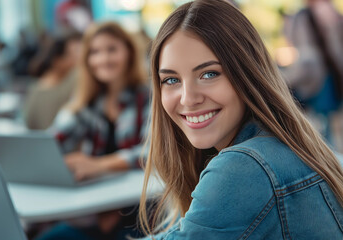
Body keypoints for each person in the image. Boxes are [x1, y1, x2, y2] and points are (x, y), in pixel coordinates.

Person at [138, 0, 343, 239]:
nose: (188, 98)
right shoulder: (283, 146)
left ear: (247, 74)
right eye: (171, 80)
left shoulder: (244, 166)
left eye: (209, 74)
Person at [37, 22, 149, 240]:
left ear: (129, 52)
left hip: (141, 212)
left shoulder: (147, 96)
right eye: (95, 52)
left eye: (112, 49)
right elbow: (52, 139)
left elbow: (153, 153)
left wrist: (98, 165)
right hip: (96, 211)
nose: (103, 59)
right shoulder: (86, 103)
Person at [281, 0, 343, 140]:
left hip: (328, 76)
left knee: (326, 124)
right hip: (319, 77)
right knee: (324, 124)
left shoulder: (329, 16)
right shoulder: (302, 17)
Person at [24, 32, 82, 130]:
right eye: (75, 53)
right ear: (58, 60)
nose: (79, 58)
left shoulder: (35, 88)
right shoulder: (73, 80)